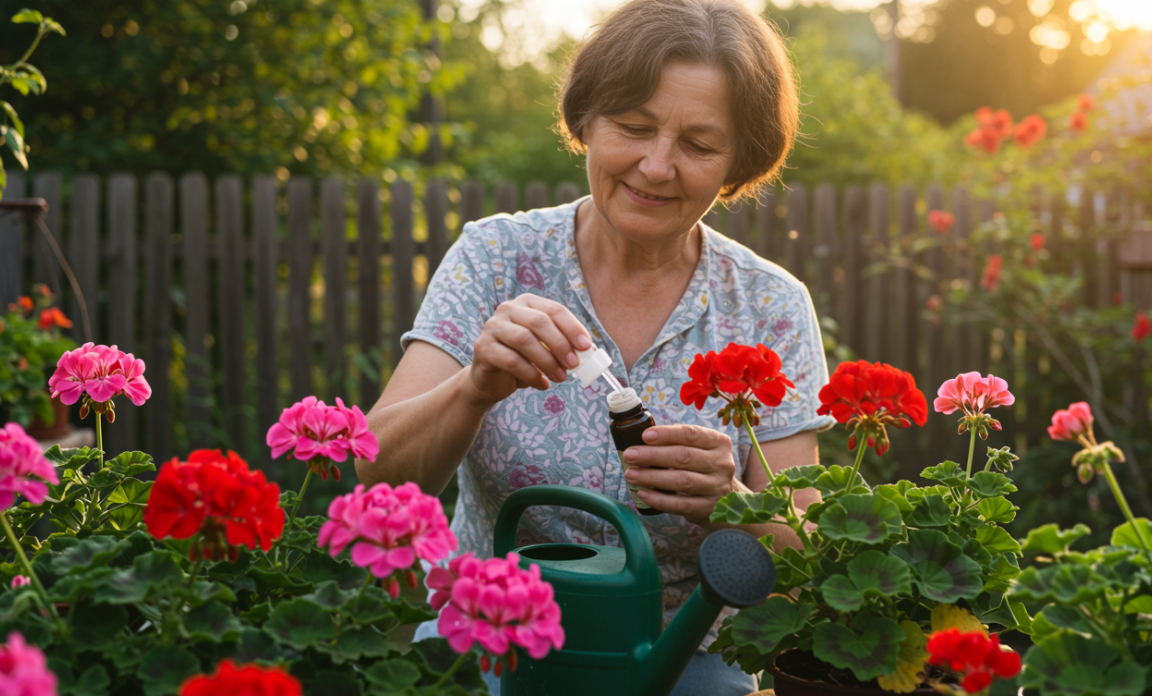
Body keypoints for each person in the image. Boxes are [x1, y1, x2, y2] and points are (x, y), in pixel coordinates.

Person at [357, 0, 834, 693]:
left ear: (739, 163)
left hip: (682, 659)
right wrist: (473, 388)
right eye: (634, 128)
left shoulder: (769, 305)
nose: (657, 166)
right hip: (487, 645)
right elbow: (376, 483)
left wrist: (733, 501)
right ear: (586, 121)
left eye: (700, 146)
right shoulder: (496, 257)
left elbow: (808, 557)